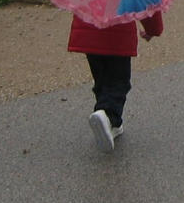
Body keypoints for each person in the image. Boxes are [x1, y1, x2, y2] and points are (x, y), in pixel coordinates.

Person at [68, 10, 164, 152]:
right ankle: (107, 114)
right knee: (118, 83)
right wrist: (153, 29)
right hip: (118, 36)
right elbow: (146, 0)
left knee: (102, 80)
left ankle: (112, 124)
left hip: (89, 32)